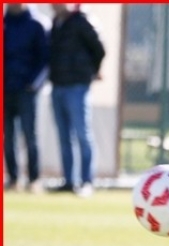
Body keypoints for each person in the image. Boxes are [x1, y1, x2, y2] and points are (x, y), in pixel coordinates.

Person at [48, 3, 105, 197]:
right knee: (64, 137)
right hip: (58, 85)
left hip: (77, 86)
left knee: (82, 134)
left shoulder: (81, 21)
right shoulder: (56, 23)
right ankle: (69, 181)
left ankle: (87, 181)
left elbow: (99, 49)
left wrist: (92, 71)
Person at [3, 3, 50, 193]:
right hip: (6, 89)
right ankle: (13, 178)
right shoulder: (4, 23)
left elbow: (45, 59)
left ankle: (34, 179)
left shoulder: (37, 24)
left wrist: (34, 84)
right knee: (8, 137)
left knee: (30, 136)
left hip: (27, 91)